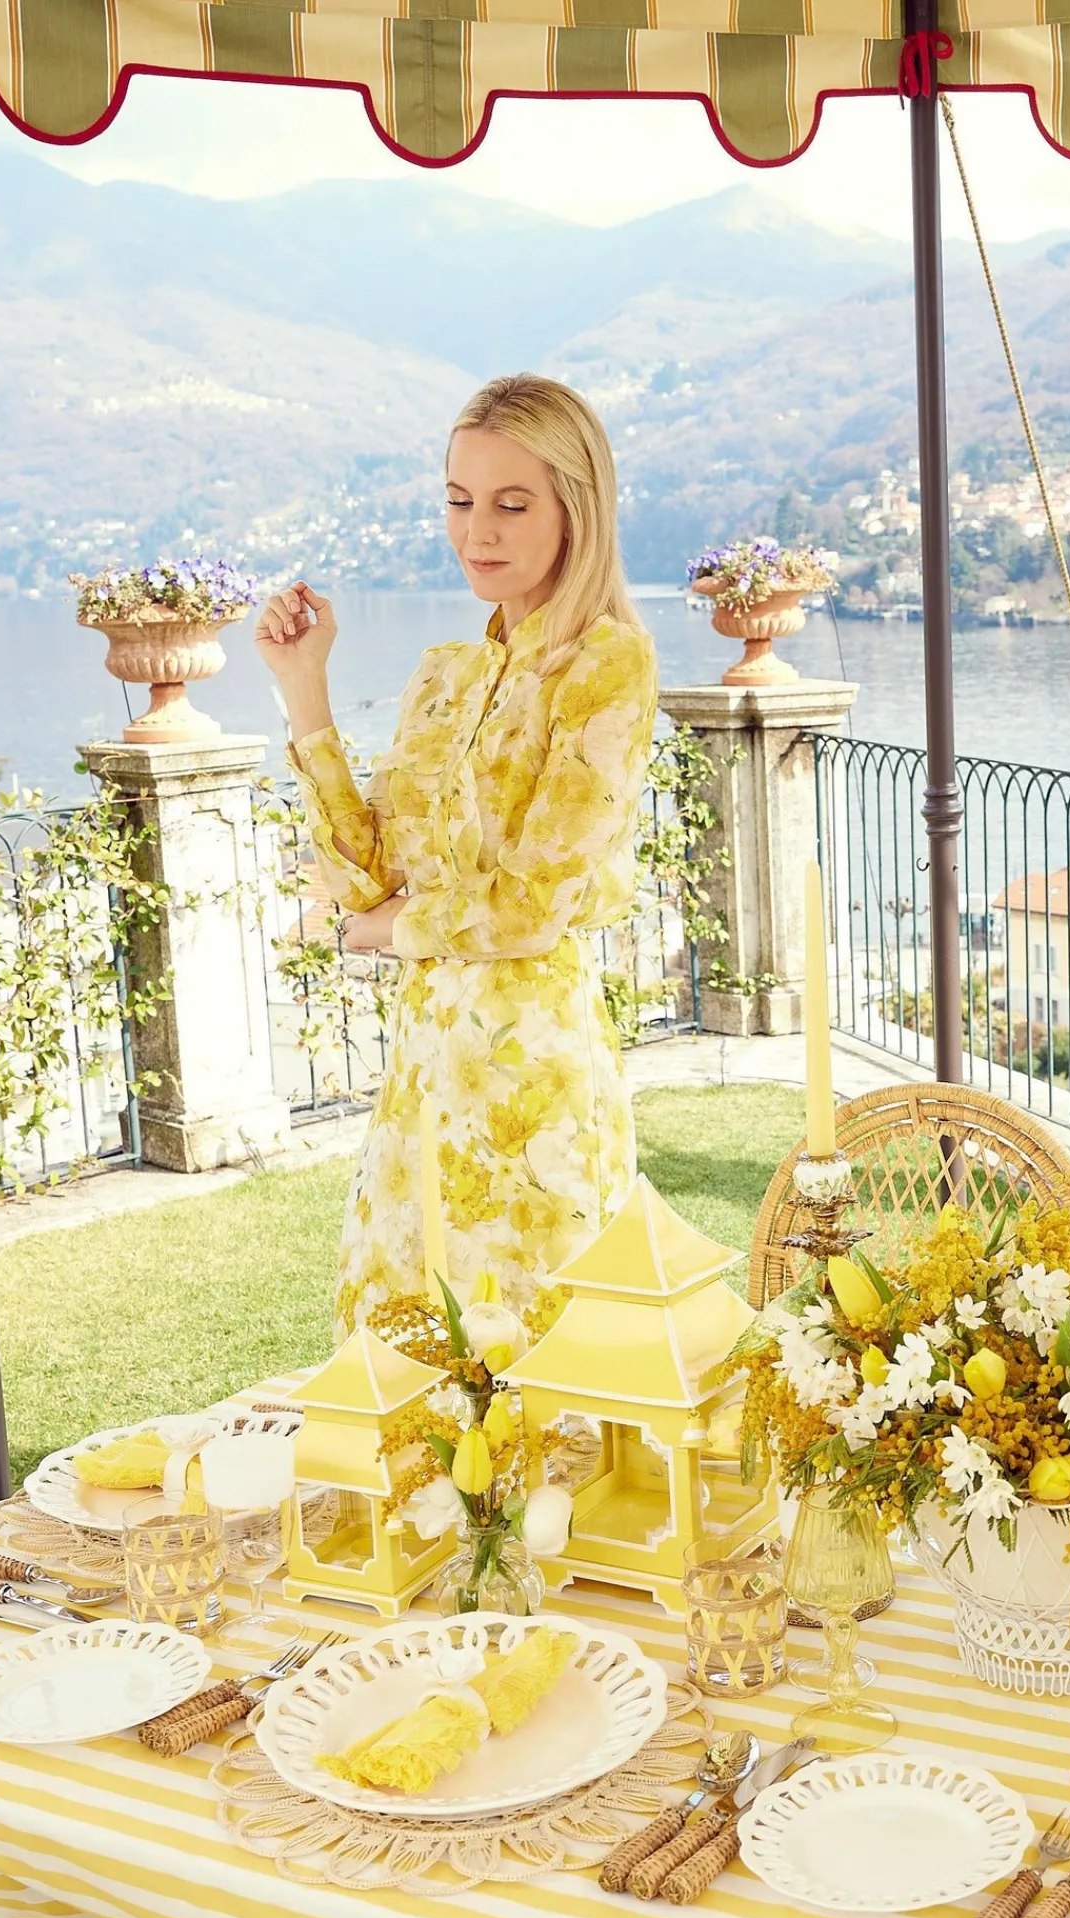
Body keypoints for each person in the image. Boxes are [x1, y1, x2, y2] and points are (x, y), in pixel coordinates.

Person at [257, 374, 656, 1343]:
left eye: (511, 504)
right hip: (424, 1062)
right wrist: (304, 689)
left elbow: (534, 907)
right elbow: (363, 878)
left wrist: (388, 930)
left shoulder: (606, 666)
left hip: (534, 1069)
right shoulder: (444, 673)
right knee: (398, 1349)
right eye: (459, 499)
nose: (478, 531)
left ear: (575, 509)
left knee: (540, 1357)